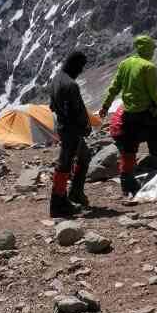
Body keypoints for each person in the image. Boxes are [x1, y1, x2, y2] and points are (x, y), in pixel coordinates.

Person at [98, 35, 157, 197]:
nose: (153, 52)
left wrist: (105, 106)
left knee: (129, 150)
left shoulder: (125, 63)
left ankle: (127, 183)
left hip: (129, 115)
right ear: (147, 48)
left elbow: (114, 88)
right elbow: (156, 96)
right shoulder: (148, 67)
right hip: (146, 114)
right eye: (152, 48)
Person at [49, 50, 93, 216]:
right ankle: (58, 202)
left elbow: (52, 106)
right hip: (72, 130)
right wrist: (83, 127)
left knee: (84, 156)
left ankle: (75, 193)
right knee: (65, 163)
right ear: (74, 65)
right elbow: (74, 111)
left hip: (64, 127)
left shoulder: (56, 79)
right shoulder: (70, 85)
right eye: (81, 66)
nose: (81, 70)